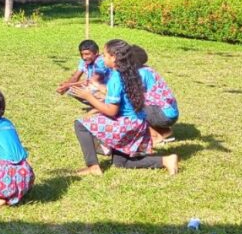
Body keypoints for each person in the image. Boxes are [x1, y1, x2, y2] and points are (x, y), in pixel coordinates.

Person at [70, 39, 179, 175]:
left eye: (104, 55)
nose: (102, 58)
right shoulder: (131, 71)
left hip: (126, 125)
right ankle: (165, 160)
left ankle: (93, 166)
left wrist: (89, 97)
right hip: (138, 124)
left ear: (114, 57)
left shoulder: (116, 78)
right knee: (121, 162)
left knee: (80, 124)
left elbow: (112, 111)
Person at [131, 45, 180, 145]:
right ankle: (163, 131)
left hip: (164, 115)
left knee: (130, 107)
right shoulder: (148, 69)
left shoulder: (141, 74)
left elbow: (131, 94)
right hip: (169, 112)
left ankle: (155, 136)